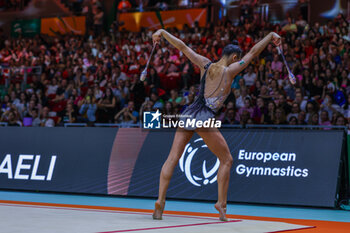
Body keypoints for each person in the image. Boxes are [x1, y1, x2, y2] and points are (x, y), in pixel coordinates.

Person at [151, 29, 281, 221]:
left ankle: (160, 201)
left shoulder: (204, 64)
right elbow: (253, 52)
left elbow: (182, 46)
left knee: (173, 158)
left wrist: (162, 32)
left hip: (188, 113)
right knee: (227, 159)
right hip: (204, 118)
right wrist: (270, 36)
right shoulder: (231, 70)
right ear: (235, 57)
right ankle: (221, 203)